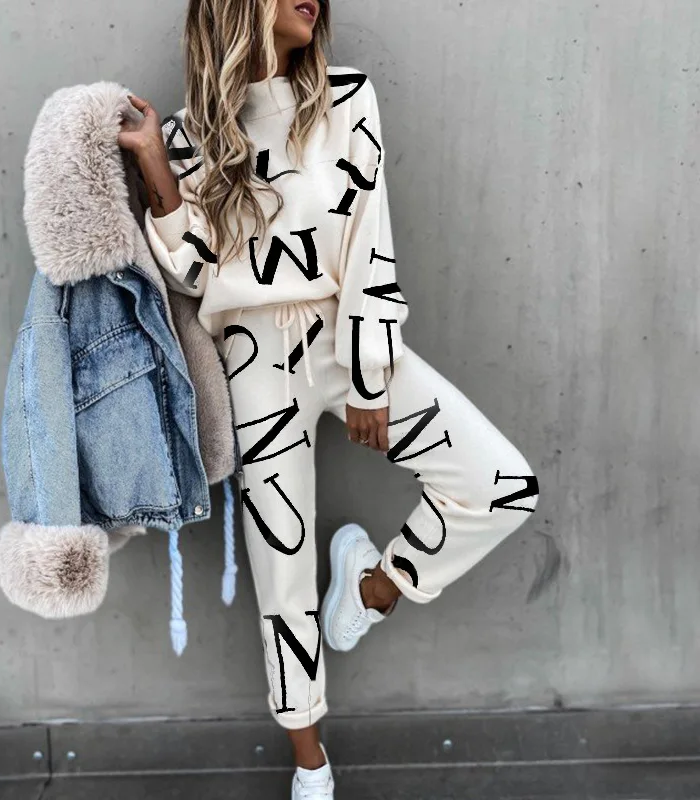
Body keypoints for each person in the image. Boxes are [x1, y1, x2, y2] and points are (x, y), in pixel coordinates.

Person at [118, 1, 540, 796]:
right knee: (281, 576)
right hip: (251, 363)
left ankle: (375, 585)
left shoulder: (347, 98)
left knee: (501, 484)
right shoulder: (186, 137)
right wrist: (154, 165)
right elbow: (195, 272)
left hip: (343, 337)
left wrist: (371, 376)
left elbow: (369, 242)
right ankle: (311, 766)